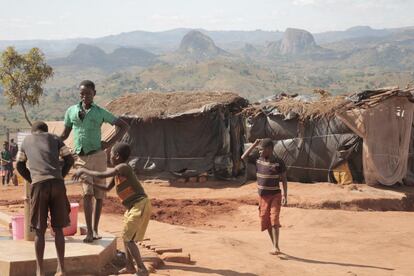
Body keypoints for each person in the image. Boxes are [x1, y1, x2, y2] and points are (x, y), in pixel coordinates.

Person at [60, 80, 129, 243]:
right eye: (82, 94)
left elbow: (123, 126)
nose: (85, 96)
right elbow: (65, 133)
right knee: (87, 193)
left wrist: (109, 143)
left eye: (88, 94)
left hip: (98, 157)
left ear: (94, 94)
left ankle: (96, 229)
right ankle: (89, 232)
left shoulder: (100, 112)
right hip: (80, 158)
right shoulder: (71, 111)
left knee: (99, 195)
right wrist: (49, 141)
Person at [73, 143, 151, 276]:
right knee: (126, 236)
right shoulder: (118, 173)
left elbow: (103, 175)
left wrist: (84, 170)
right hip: (133, 207)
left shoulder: (123, 167)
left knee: (128, 239)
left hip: (139, 205)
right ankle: (130, 266)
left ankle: (142, 268)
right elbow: (106, 189)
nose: (109, 157)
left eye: (110, 154)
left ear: (116, 156)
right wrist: (90, 183)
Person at [16, 121, 74, 276]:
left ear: (33, 131)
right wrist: (60, 176)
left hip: (39, 185)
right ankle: (61, 269)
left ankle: (40, 271)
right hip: (57, 184)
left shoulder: (26, 141)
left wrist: (32, 178)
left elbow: (19, 165)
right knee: (58, 229)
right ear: (46, 131)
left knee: (40, 231)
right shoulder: (55, 138)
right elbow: (70, 160)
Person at [242, 138, 288, 255]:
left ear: (269, 150)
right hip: (263, 197)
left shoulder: (279, 162)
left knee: (274, 219)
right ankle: (274, 244)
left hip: (275, 196)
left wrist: (284, 195)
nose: (260, 152)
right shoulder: (258, 160)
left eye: (261, 149)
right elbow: (243, 157)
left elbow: (284, 179)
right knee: (265, 220)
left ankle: (276, 246)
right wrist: (255, 144)